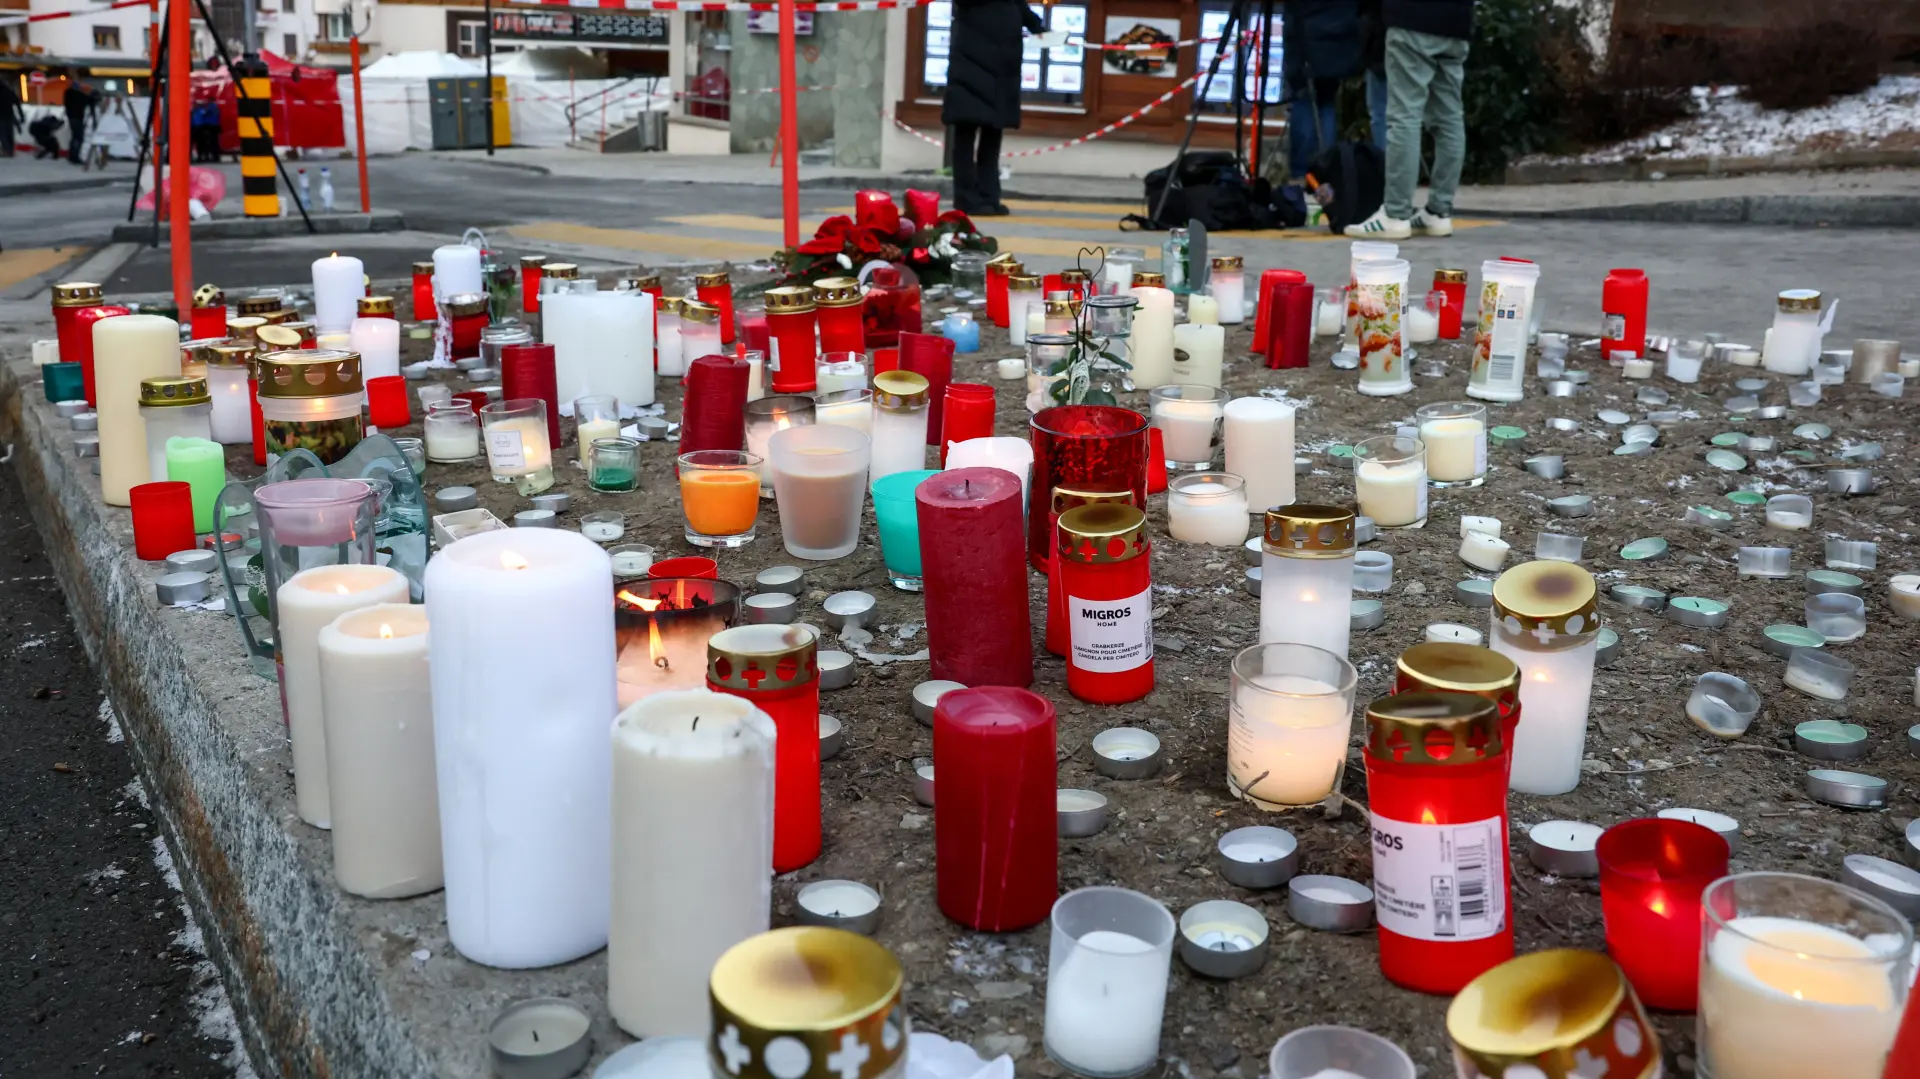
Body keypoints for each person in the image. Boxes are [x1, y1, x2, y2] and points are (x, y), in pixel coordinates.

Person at [1344, 0, 1473, 240]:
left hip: (1410, 18)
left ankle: (1396, 213)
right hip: (1457, 21)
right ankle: (1439, 211)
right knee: (1450, 118)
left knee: (1404, 117)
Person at [942, 0, 1047, 216]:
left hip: (1000, 75)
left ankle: (989, 196)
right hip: (970, 72)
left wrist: (1041, 30)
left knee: (992, 137)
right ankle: (967, 198)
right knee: (965, 137)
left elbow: (1022, 10)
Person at [1282, 0, 1361, 181]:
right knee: (1327, 103)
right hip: (1339, 34)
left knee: (1303, 99)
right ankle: (1324, 171)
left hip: (1305, 33)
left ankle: (1302, 172)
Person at [63, 76, 99, 166]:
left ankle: (72, 155)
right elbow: (88, 100)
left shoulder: (68, 94)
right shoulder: (77, 95)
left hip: (72, 117)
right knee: (78, 137)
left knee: (75, 137)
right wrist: (93, 97)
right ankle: (74, 156)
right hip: (77, 118)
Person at [0, 78, 22, 158]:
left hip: (1, 115)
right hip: (9, 115)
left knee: (3, 134)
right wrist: (21, 114)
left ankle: (7, 150)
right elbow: (17, 101)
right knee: (9, 133)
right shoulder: (8, 91)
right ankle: (10, 150)